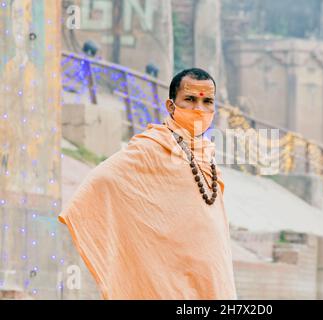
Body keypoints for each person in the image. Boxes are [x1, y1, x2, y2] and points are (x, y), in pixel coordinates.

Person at [58, 68, 237, 299]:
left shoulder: (206, 153)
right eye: (190, 100)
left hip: (212, 276)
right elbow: (103, 179)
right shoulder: (151, 147)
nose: (199, 109)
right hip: (171, 279)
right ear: (171, 106)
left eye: (207, 102)